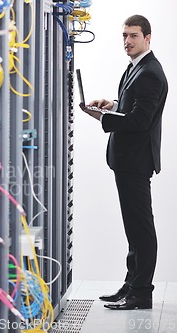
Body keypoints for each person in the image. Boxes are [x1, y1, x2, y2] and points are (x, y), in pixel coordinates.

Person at [80, 14, 168, 310]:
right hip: (126, 160)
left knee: (141, 228)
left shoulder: (150, 72)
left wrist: (103, 117)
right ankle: (131, 285)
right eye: (124, 36)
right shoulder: (137, 68)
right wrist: (112, 106)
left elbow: (140, 121)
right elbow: (131, 109)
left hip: (135, 161)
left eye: (133, 36)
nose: (127, 41)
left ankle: (141, 293)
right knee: (133, 228)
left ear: (147, 38)